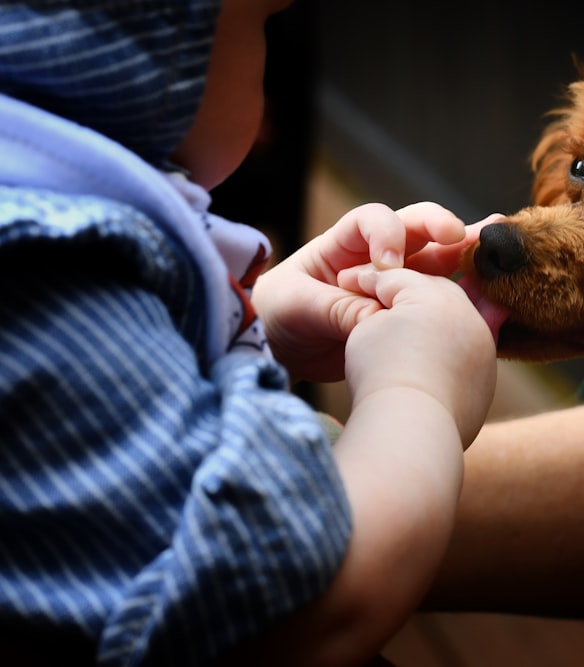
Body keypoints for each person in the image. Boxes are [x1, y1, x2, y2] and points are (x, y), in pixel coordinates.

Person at [0, 1, 497, 665]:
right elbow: (306, 610)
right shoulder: (48, 277)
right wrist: (420, 392)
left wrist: (253, 317)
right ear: (145, 51)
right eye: (259, 22)